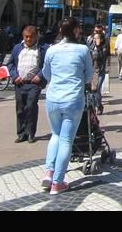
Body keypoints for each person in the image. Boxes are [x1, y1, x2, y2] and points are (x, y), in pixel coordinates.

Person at [40, 17, 93, 195]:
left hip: (53, 97)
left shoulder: (51, 50)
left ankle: (49, 172)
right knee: (66, 140)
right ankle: (58, 181)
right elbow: (88, 77)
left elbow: (46, 73)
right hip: (73, 98)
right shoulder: (83, 50)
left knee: (55, 135)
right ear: (77, 30)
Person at [9, 26, 48, 143]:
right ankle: (21, 133)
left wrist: (40, 76)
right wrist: (15, 76)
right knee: (20, 109)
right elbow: (10, 64)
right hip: (20, 83)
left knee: (30, 107)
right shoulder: (17, 48)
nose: (28, 39)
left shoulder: (42, 49)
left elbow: (47, 65)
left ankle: (30, 133)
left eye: (31, 37)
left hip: (33, 84)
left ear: (36, 37)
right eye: (26, 37)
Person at [90, 31, 109, 113]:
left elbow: (103, 57)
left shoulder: (104, 48)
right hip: (93, 71)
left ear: (101, 39)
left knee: (97, 88)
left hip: (101, 70)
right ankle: (97, 105)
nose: (95, 40)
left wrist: (98, 47)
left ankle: (98, 105)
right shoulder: (91, 47)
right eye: (94, 38)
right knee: (93, 89)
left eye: (97, 38)